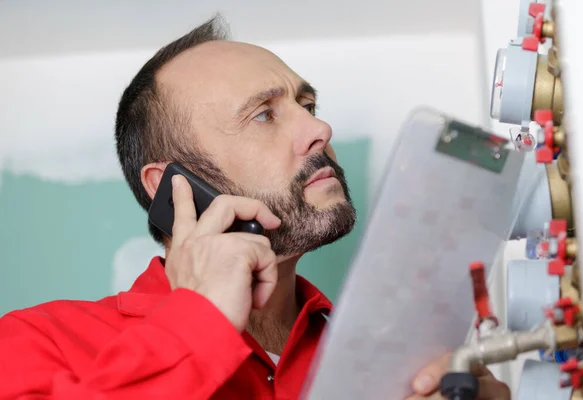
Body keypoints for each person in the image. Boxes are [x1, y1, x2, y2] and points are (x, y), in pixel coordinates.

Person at [0, 15, 510, 400]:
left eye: (307, 106)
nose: (320, 130)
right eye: (263, 115)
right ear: (172, 188)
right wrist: (197, 324)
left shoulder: (391, 362)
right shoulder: (31, 344)